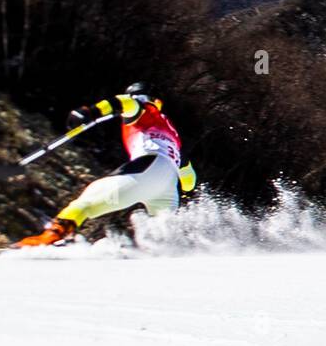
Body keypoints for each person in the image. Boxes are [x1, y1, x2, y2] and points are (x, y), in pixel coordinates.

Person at [16, 83, 197, 247]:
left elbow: (124, 102)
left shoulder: (141, 108)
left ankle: (51, 236)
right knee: (163, 238)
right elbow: (189, 178)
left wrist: (91, 111)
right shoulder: (172, 132)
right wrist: (188, 194)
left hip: (149, 167)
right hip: (168, 187)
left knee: (88, 200)